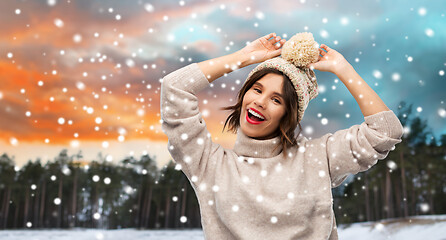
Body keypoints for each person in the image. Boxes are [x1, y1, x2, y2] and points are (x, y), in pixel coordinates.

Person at [160, 32, 403, 240]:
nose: (260, 102)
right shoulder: (210, 165)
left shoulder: (318, 158)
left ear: (289, 115)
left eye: (276, 99)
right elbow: (175, 88)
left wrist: (343, 69)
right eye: (256, 89)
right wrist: (243, 57)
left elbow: (385, 131)